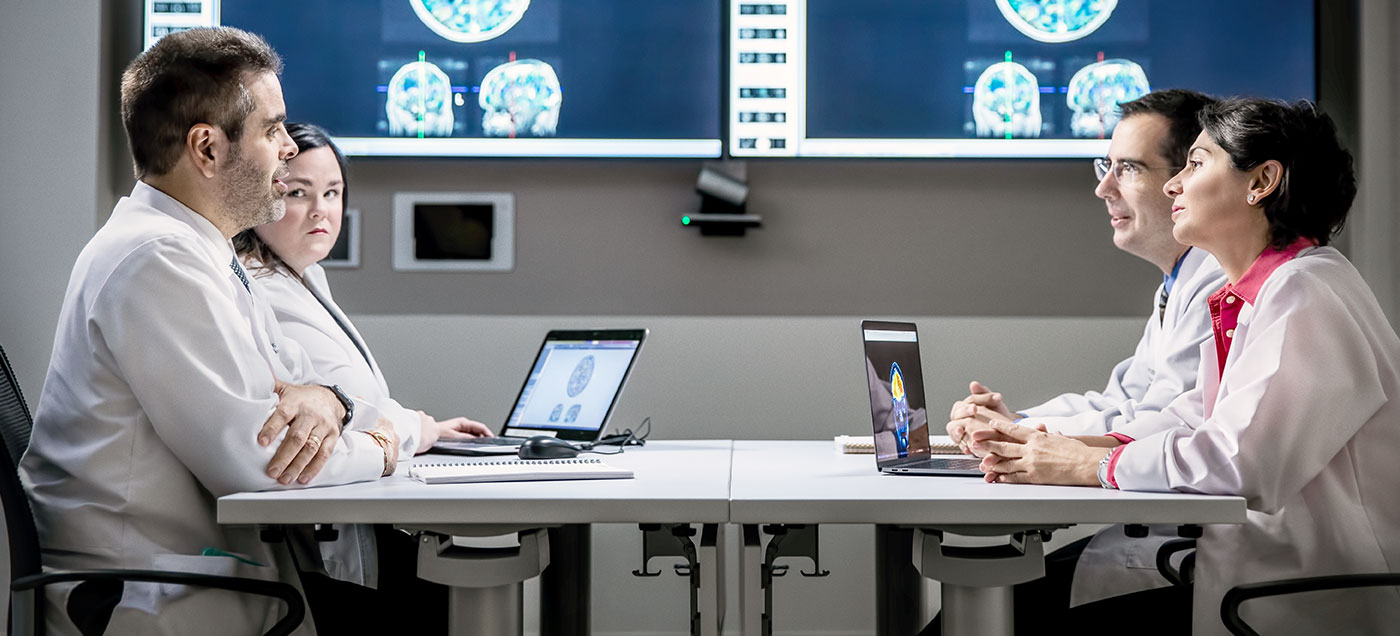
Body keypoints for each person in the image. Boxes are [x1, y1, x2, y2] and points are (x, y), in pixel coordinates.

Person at [20, 27, 399, 635]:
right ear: (208, 148)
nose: (287, 151)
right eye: (272, 129)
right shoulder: (156, 259)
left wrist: (331, 400)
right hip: (144, 592)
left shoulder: (202, 252)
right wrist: (380, 450)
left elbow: (301, 384)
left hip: (189, 571)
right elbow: (262, 459)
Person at [970, 98, 1400, 635]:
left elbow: (1239, 464)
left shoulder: (1304, 291)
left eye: (1196, 164)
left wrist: (1083, 466)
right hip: (1256, 579)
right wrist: (1036, 446)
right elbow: (1186, 420)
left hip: (1299, 598)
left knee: (1004, 616)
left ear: (1261, 181)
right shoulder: (1261, 292)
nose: (1175, 185)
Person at [931, 90, 1226, 634]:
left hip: (1209, 559)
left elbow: (1161, 424)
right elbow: (1122, 401)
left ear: (1187, 178)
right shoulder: (1181, 282)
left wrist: (1029, 438)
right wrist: (1016, 425)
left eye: (1127, 169)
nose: (1102, 188)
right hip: (1170, 542)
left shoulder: (1220, 282)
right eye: (1104, 166)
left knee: (977, 619)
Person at [233, 122, 492, 632]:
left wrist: (424, 428)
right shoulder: (261, 285)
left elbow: (347, 400)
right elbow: (348, 407)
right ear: (264, 195)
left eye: (332, 193)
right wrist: (423, 429)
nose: (321, 211)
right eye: (298, 193)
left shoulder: (303, 276)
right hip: (322, 546)